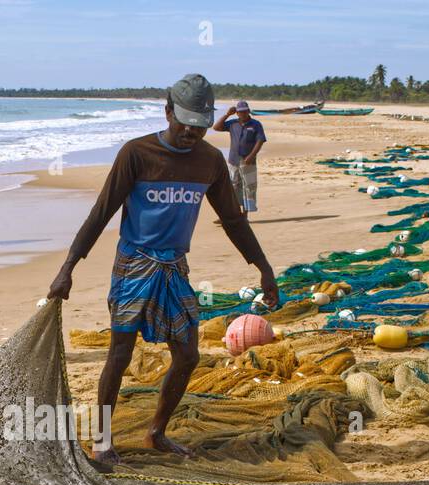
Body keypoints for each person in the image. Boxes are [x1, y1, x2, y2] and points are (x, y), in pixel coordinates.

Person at [47, 74, 280, 464]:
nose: (191, 132)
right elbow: (101, 213)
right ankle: (103, 442)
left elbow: (234, 221)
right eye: (184, 122)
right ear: (167, 110)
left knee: (188, 355)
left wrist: (264, 268)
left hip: (175, 267)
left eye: (200, 125)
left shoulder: (208, 161)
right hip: (134, 264)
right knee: (120, 353)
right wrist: (68, 267)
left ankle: (156, 432)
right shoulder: (136, 154)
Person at [212, 100, 265, 217]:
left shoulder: (256, 124)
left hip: (248, 160)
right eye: (240, 112)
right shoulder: (232, 123)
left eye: (245, 111)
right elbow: (216, 127)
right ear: (237, 113)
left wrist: (251, 156)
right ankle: (234, 213)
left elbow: (260, 140)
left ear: (248, 111)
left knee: (249, 186)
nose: (243, 114)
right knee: (233, 186)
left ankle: (245, 214)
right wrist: (227, 114)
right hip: (233, 160)